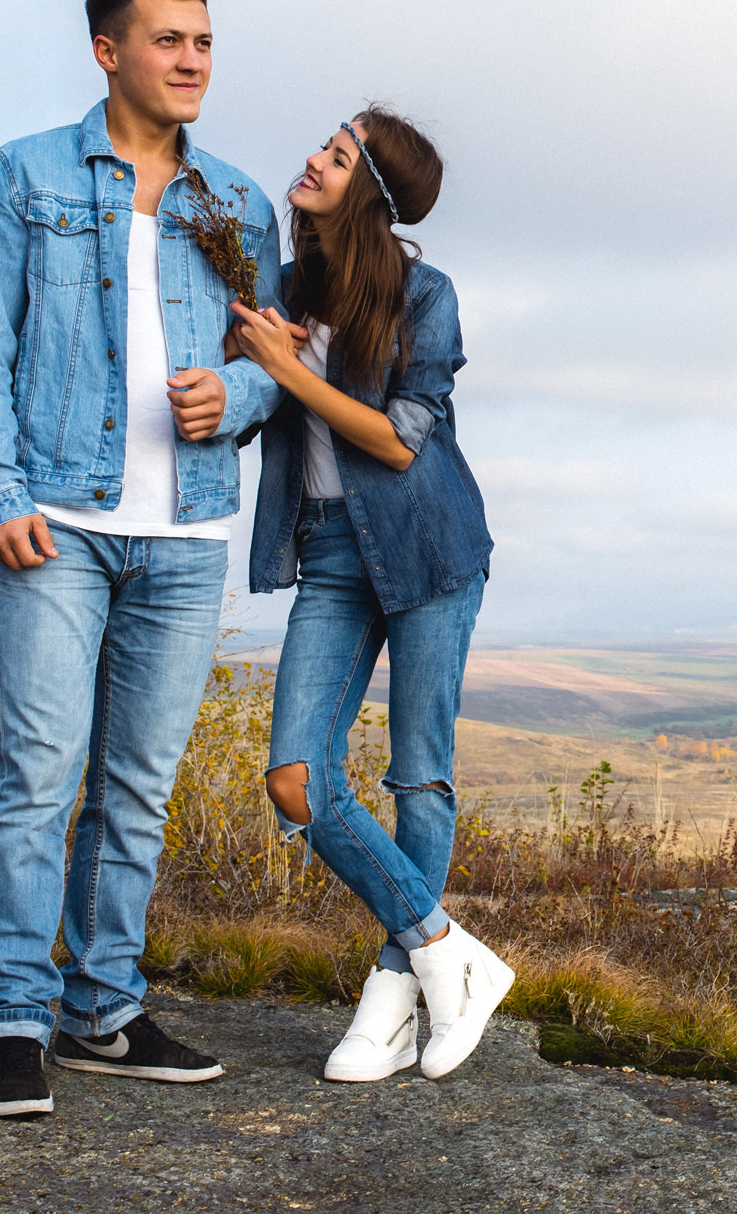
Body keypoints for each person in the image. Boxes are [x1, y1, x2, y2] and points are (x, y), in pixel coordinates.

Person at [0, 0, 283, 1118]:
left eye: (204, 41)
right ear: (108, 51)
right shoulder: (23, 175)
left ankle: (102, 1011)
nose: (192, 61)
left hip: (185, 534)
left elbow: (273, 365)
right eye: (168, 41)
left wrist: (230, 403)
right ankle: (11, 1023)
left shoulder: (236, 204)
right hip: (57, 524)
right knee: (34, 779)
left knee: (137, 786)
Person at [229, 107, 506, 1082]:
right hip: (333, 554)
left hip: (429, 545)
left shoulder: (427, 295)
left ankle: (391, 1003)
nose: (312, 156)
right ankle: (442, 953)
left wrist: (286, 370)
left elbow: (397, 439)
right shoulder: (288, 286)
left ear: (373, 195)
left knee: (419, 776)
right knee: (296, 780)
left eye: (338, 156)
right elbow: (250, 398)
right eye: (322, 142)